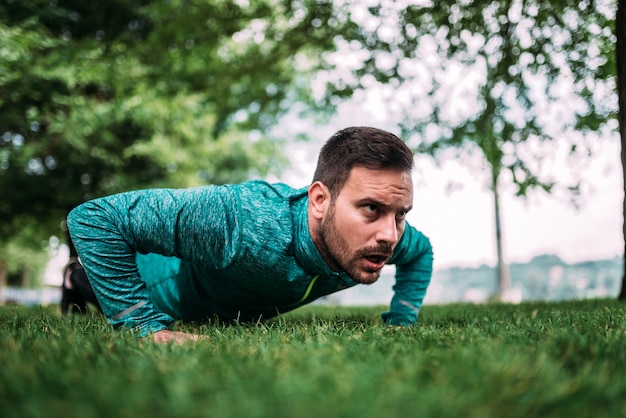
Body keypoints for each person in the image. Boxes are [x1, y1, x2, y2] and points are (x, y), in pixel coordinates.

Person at [67, 126, 433, 344]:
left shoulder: (377, 240)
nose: (390, 234)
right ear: (320, 200)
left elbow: (421, 253)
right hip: (156, 283)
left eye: (400, 214)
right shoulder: (240, 220)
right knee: (89, 282)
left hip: (231, 305)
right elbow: (94, 219)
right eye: (371, 208)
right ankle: (75, 277)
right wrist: (143, 324)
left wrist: (403, 318)